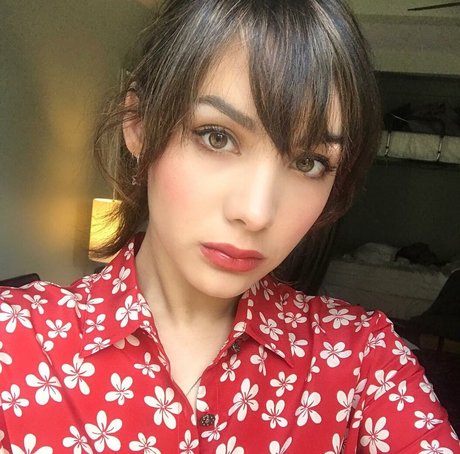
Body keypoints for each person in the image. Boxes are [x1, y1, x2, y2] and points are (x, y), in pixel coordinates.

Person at [0, 0, 459, 452]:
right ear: (138, 124)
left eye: (309, 162)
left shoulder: (363, 361)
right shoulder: (15, 340)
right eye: (217, 137)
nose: (256, 212)